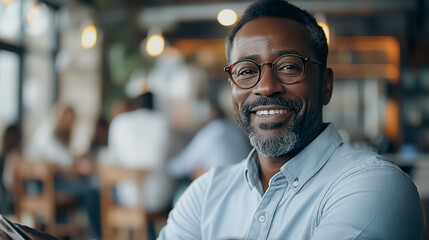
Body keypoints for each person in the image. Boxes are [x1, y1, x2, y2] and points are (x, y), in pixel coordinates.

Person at [158, 0, 423, 239]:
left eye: (288, 66)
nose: (265, 87)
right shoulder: (206, 194)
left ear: (326, 85)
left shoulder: (376, 186)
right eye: (247, 71)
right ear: (232, 90)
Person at [108, 91, 174, 230]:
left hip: (129, 198)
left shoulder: (120, 122)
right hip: (160, 197)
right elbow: (172, 158)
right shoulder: (163, 121)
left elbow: (113, 160)